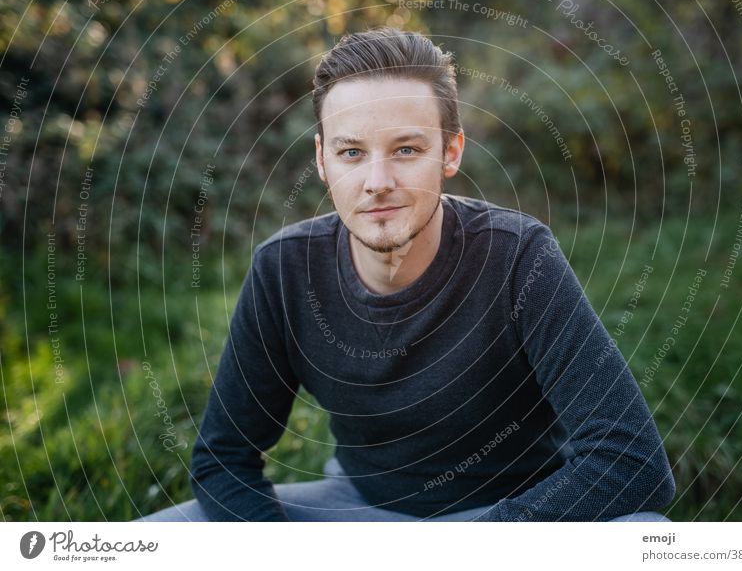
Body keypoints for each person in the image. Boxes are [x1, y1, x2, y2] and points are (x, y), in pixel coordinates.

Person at [137, 27, 675, 522]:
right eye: (352, 152)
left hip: (508, 518)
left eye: (407, 149)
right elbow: (222, 459)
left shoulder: (517, 256)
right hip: (356, 508)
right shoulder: (283, 269)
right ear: (323, 160)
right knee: (161, 536)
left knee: (644, 532)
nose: (377, 181)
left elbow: (633, 464)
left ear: (451, 152)